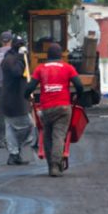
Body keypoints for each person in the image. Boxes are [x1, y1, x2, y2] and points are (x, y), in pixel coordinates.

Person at [24, 43, 85, 177]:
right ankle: (56, 166)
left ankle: (51, 164)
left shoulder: (40, 69)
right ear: (61, 55)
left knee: (47, 135)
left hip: (46, 108)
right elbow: (79, 85)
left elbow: (30, 87)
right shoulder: (68, 68)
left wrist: (27, 96)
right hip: (63, 107)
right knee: (59, 136)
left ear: (48, 56)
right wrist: (77, 96)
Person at [0, 36, 33, 165]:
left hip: (12, 100)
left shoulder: (14, 58)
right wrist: (21, 57)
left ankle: (14, 154)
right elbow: (17, 72)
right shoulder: (9, 59)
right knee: (28, 125)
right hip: (13, 101)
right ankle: (15, 151)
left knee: (11, 129)